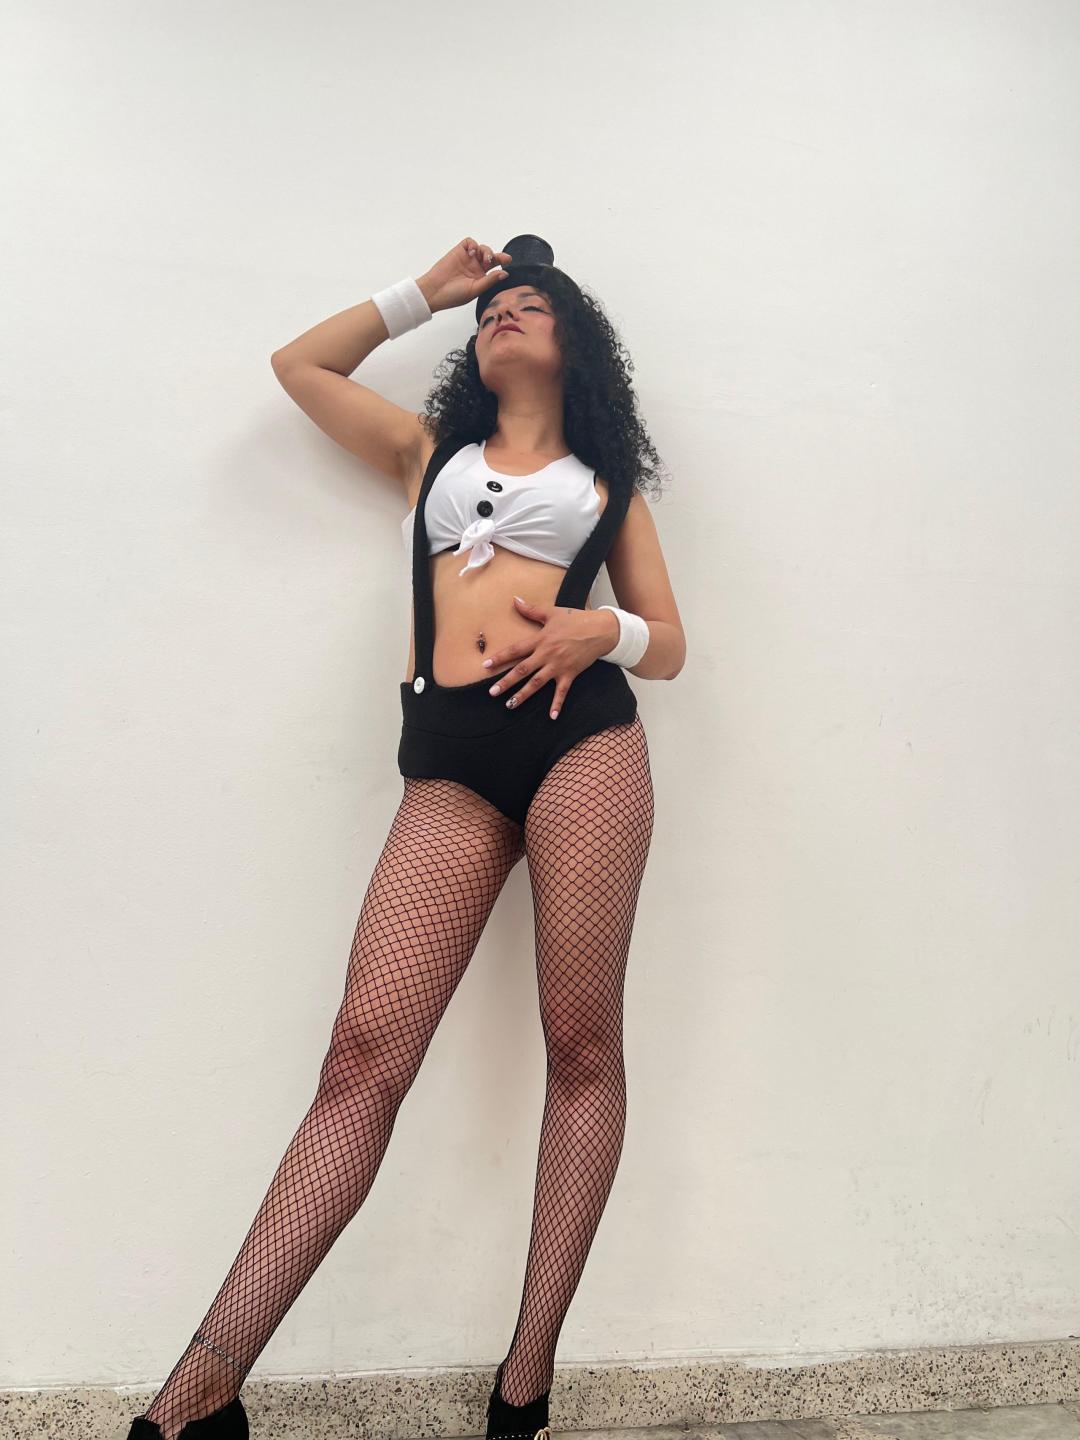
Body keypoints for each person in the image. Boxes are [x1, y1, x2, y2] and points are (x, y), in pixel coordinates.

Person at [123, 234, 685, 1440]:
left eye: (530, 304)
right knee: (360, 1059)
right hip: (453, 763)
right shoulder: (432, 455)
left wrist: (607, 634)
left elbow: (671, 642)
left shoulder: (606, 485)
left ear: (576, 346)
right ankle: (198, 1395)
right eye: (492, 308)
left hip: (585, 749)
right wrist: (424, 295)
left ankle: (524, 1386)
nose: (503, 313)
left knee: (582, 1048)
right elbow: (300, 367)